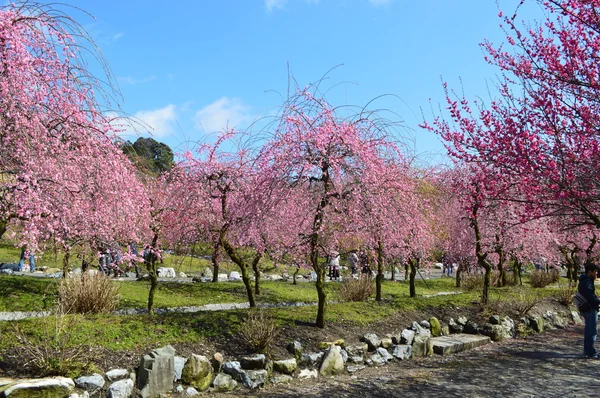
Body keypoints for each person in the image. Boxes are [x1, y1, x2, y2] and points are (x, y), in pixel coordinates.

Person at [578, 261, 600, 358]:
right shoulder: (587, 282)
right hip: (590, 309)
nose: (596, 274)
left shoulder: (585, 281)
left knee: (589, 330)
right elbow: (590, 296)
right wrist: (597, 301)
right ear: (590, 272)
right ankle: (591, 352)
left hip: (587, 308)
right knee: (592, 331)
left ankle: (588, 350)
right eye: (595, 272)